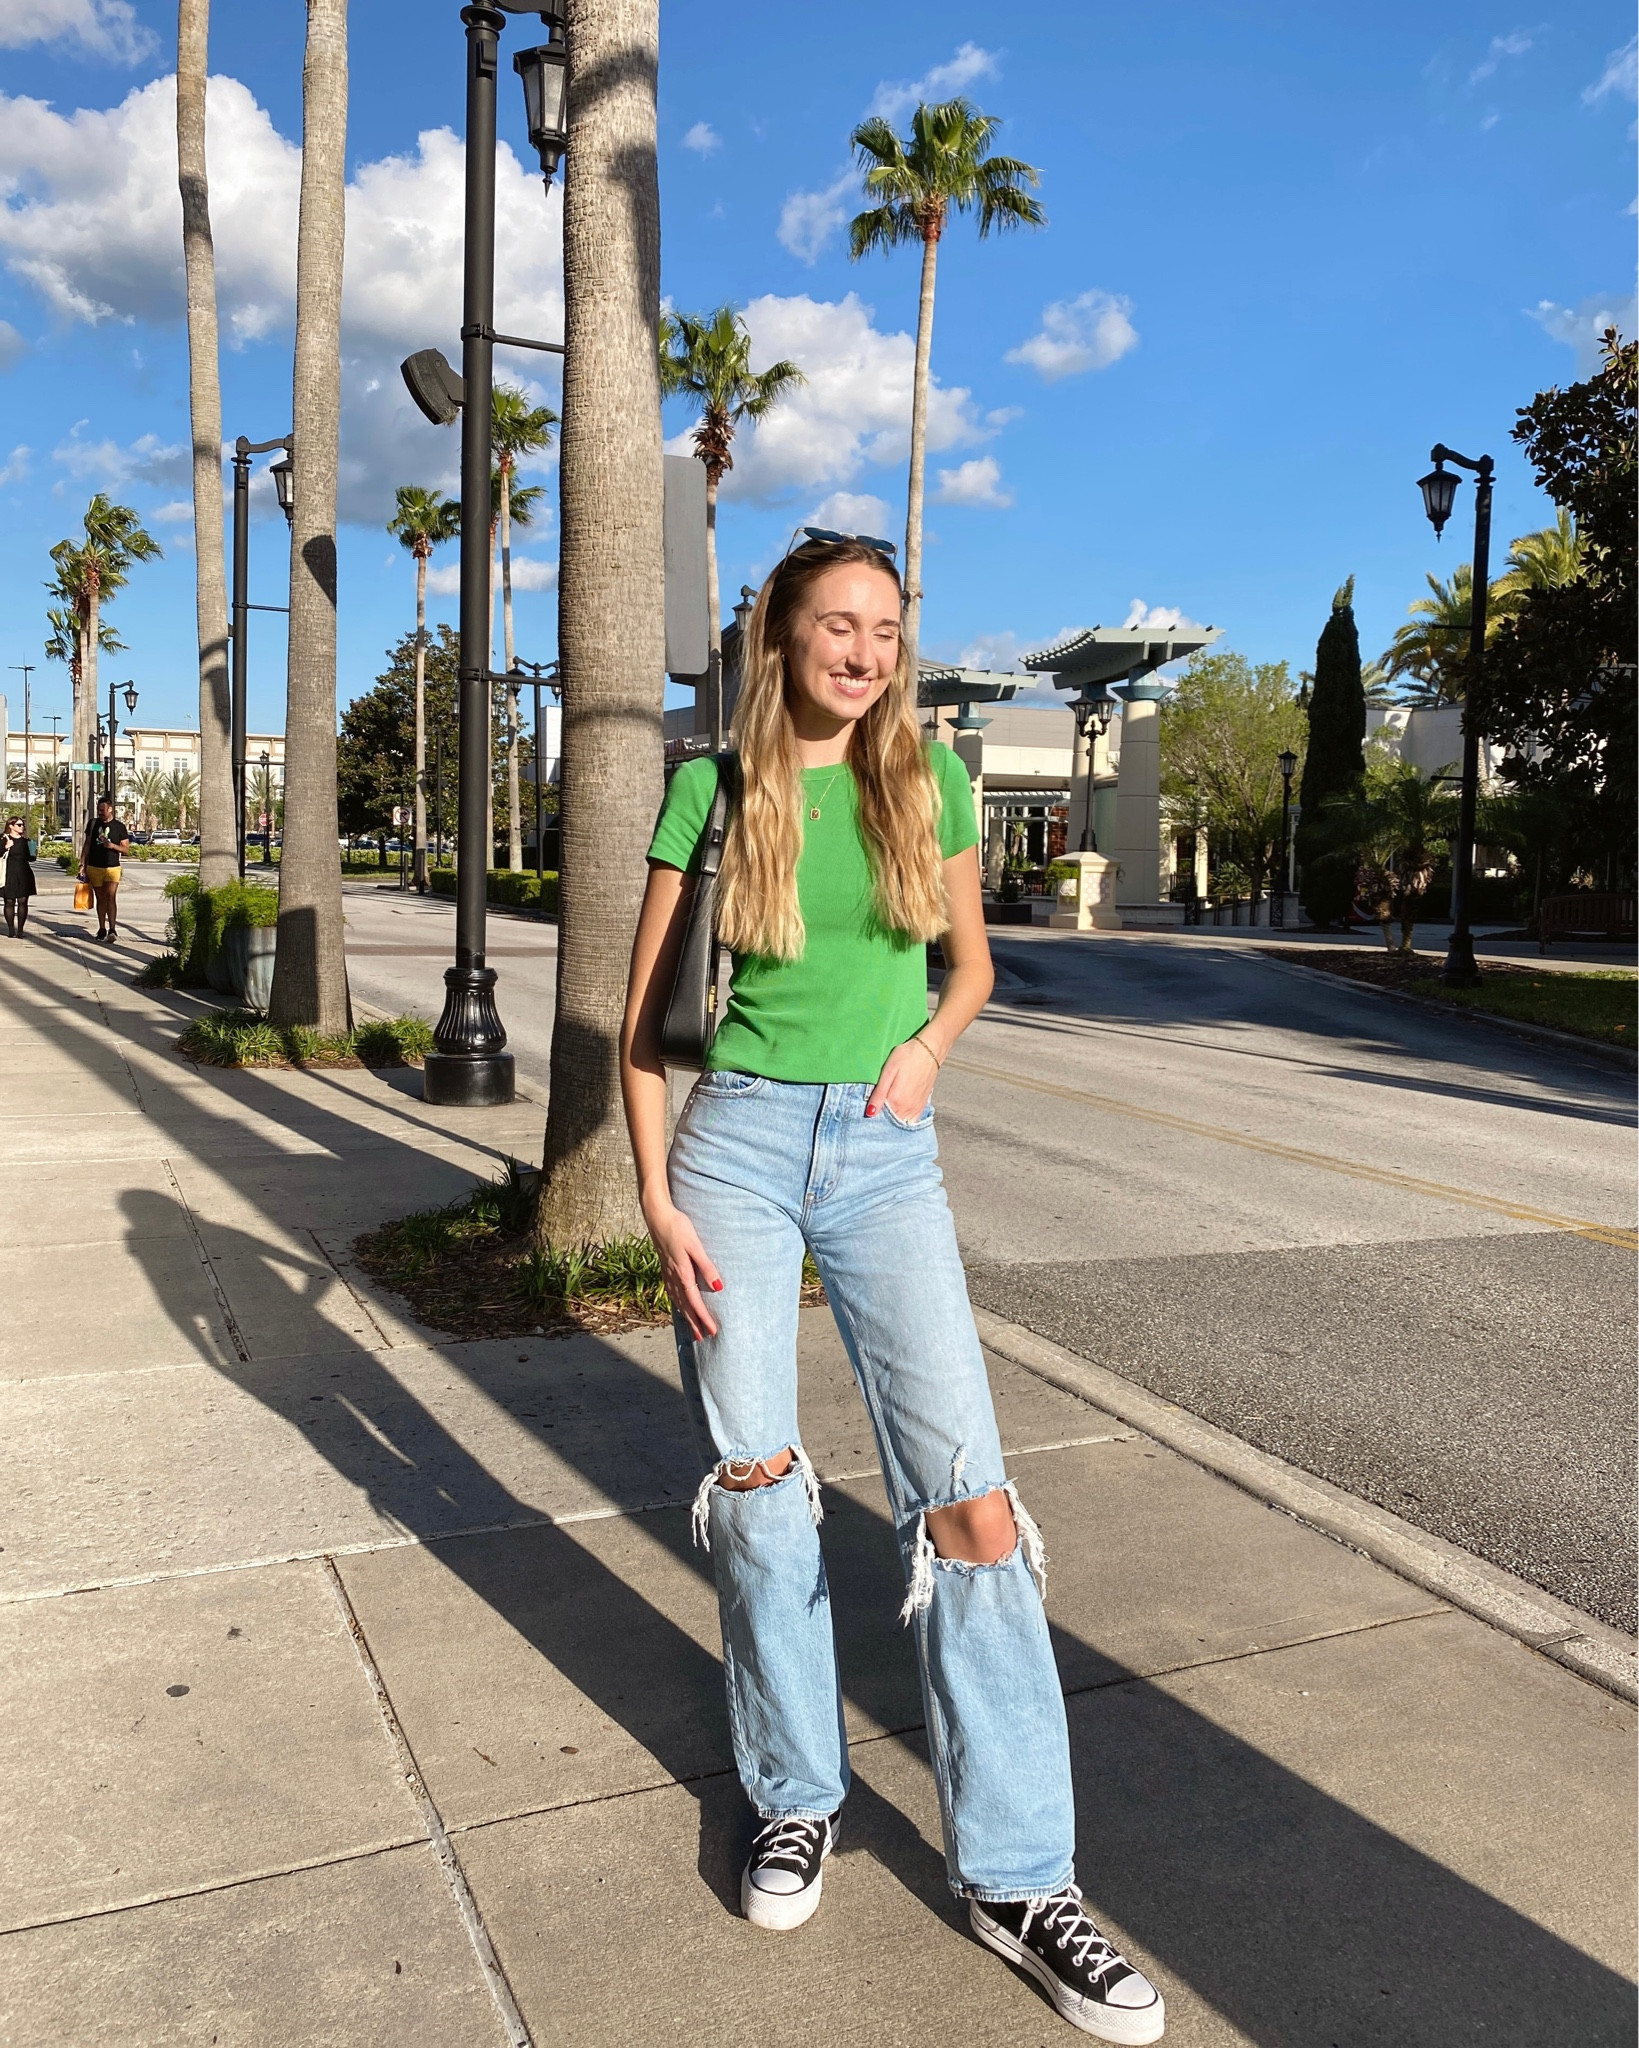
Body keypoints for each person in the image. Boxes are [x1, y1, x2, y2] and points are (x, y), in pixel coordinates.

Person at [620, 535, 1165, 2044]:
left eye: (880, 628)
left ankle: (1017, 1878)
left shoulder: (924, 779)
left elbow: (968, 969)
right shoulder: (710, 790)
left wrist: (924, 1056)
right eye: (831, 626)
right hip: (728, 1153)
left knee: (968, 1498)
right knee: (760, 1482)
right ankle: (794, 1796)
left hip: (879, 1148)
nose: (858, 650)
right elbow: (643, 1025)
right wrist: (659, 1200)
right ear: (780, 637)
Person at [80, 793, 130, 945]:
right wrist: (82, 865)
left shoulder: (119, 827)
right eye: (98, 810)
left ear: (110, 809)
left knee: (111, 897)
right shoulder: (93, 824)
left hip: (113, 867)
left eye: (102, 810)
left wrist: (111, 846)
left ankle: (112, 929)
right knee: (100, 898)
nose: (100, 812)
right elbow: (87, 844)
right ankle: (102, 928)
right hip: (94, 866)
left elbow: (126, 849)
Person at [2, 817, 37, 938]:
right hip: (8, 873)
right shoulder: (3, 839)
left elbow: (30, 859)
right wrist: (5, 847)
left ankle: (20, 930)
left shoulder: (25, 841)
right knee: (9, 901)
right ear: (11, 826)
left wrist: (33, 850)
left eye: (22, 825)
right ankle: (11, 929)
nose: (22, 827)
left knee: (23, 901)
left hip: (23, 873)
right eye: (19, 825)